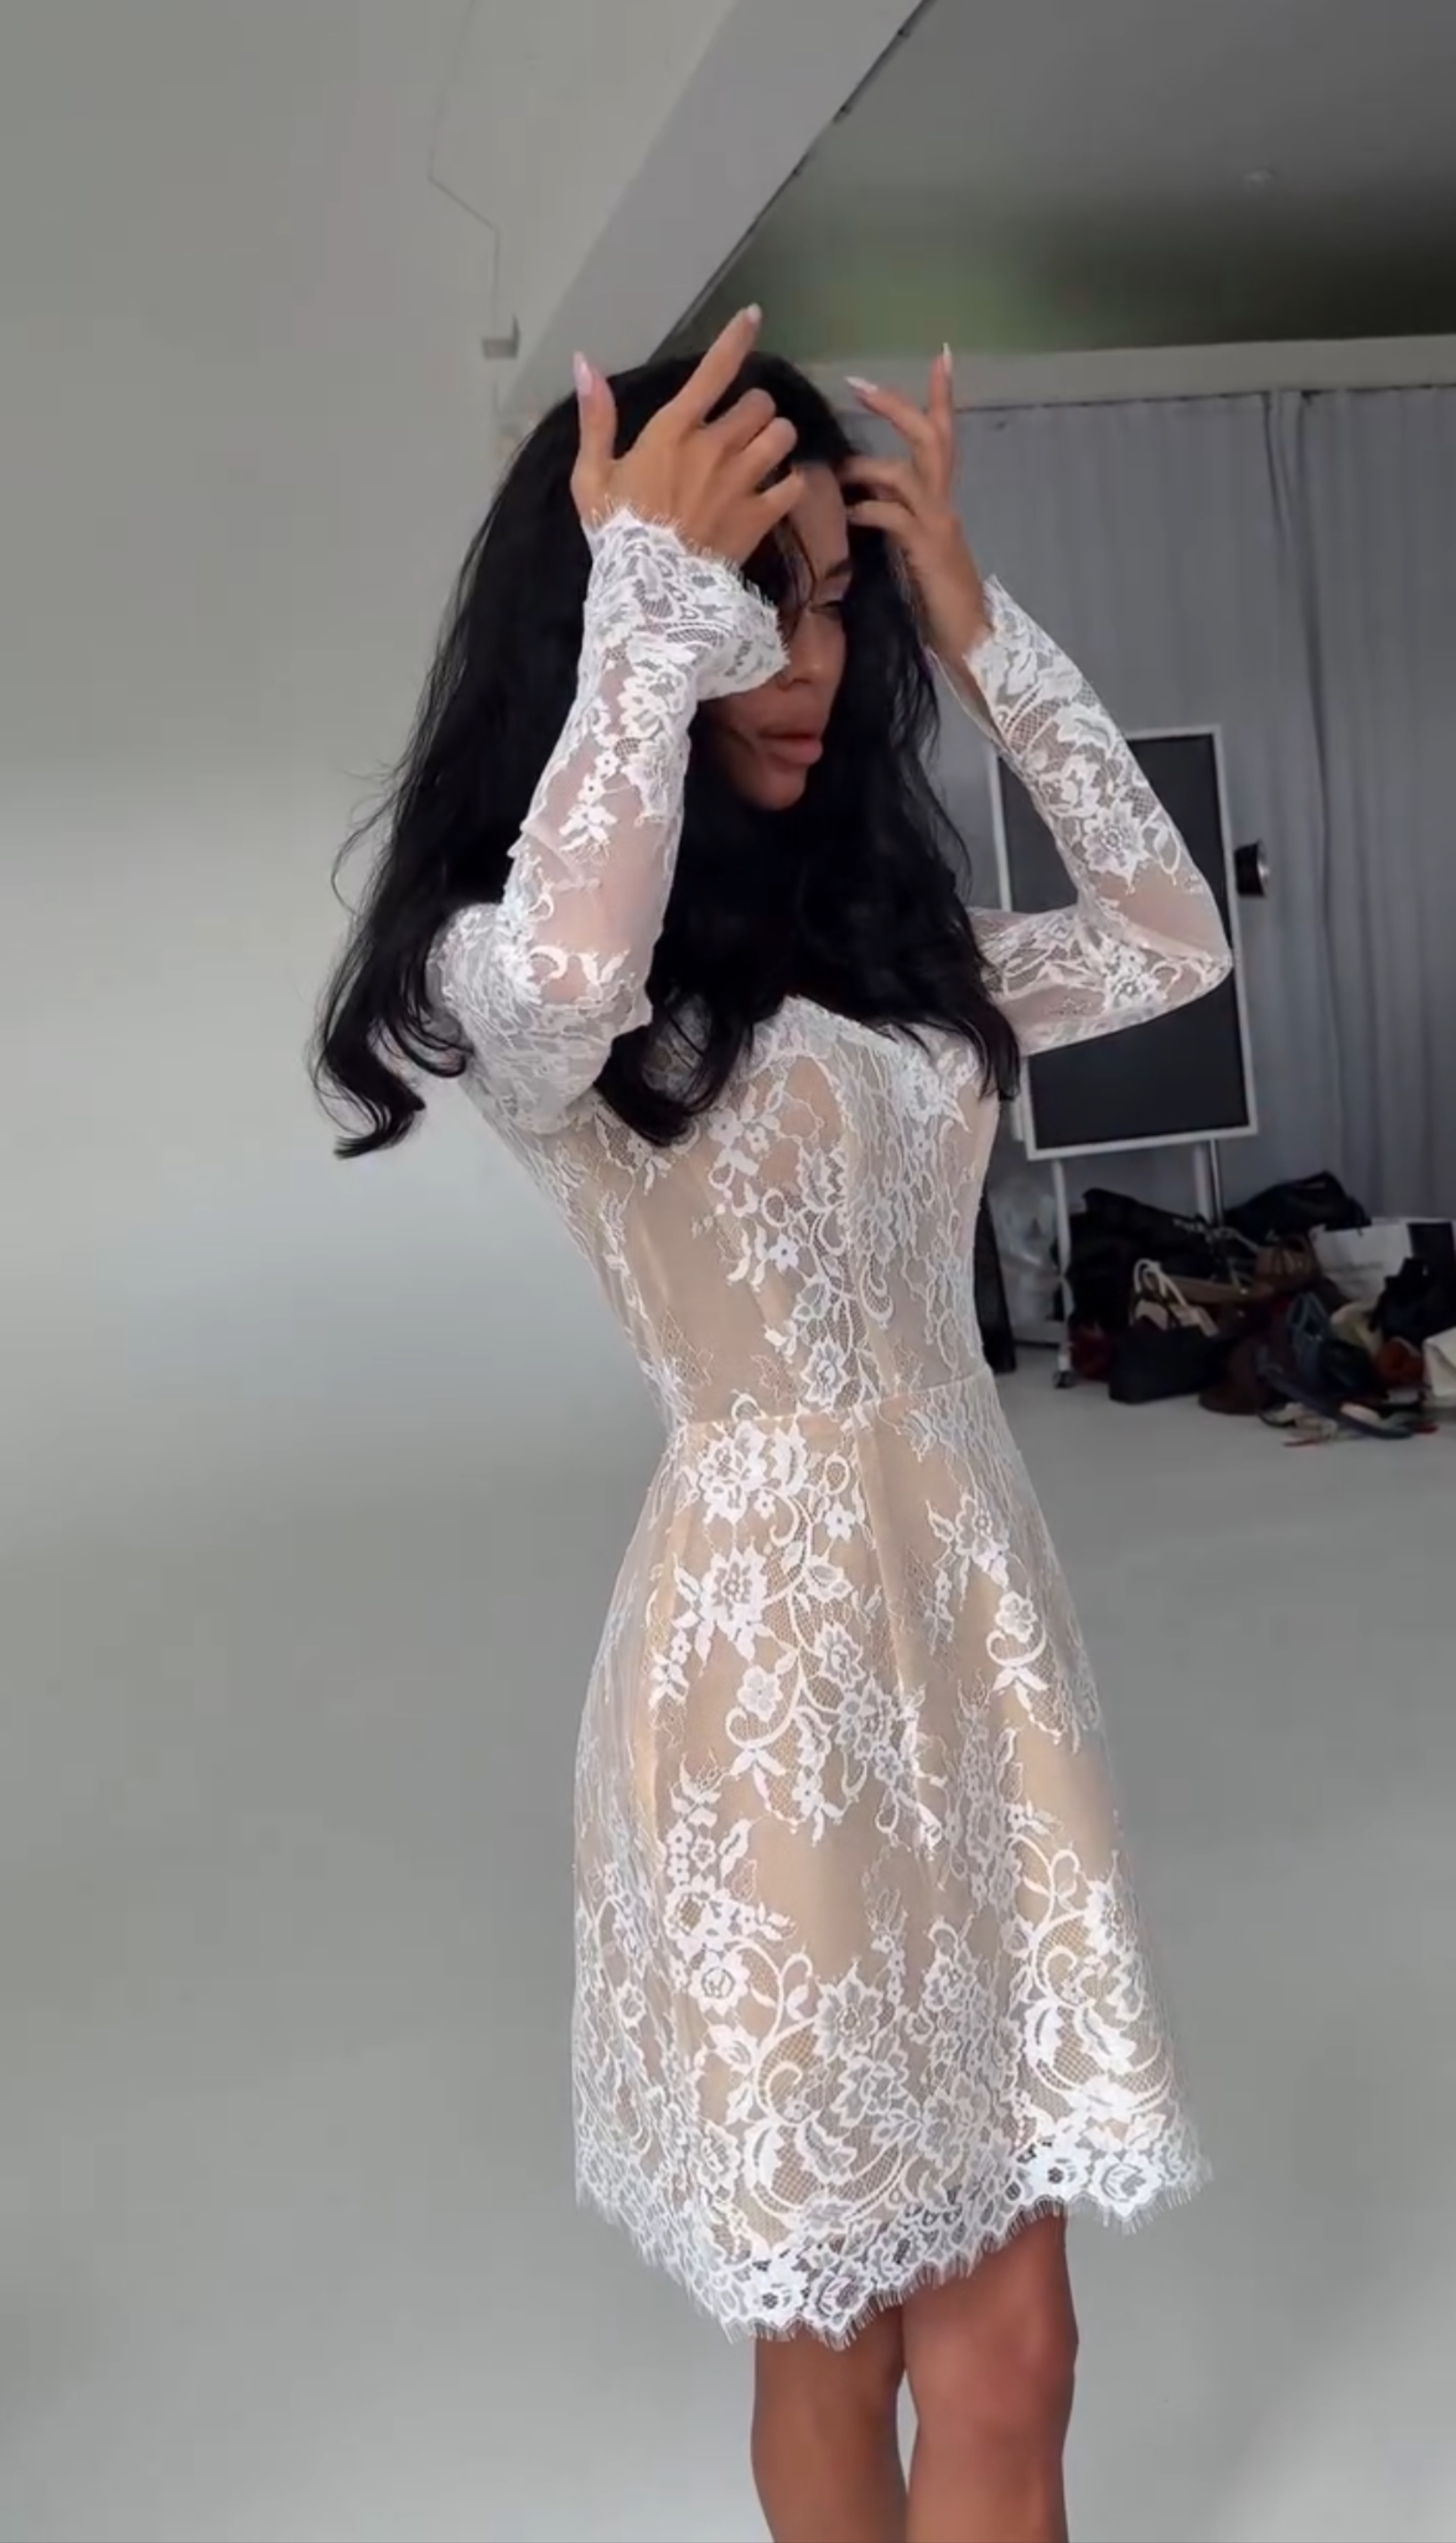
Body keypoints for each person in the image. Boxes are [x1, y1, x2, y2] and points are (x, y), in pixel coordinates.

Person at [315, 307, 1231, 2543]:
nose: (805, 662)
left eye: (828, 604)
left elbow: (1166, 937)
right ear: (617, 616)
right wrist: (652, 618)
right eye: (757, 603)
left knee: (1010, 2353)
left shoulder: (896, 945)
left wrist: (981, 631)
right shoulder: (513, 967)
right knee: (831, 2327)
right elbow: (569, 979)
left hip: (977, 1652)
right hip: (767, 1692)